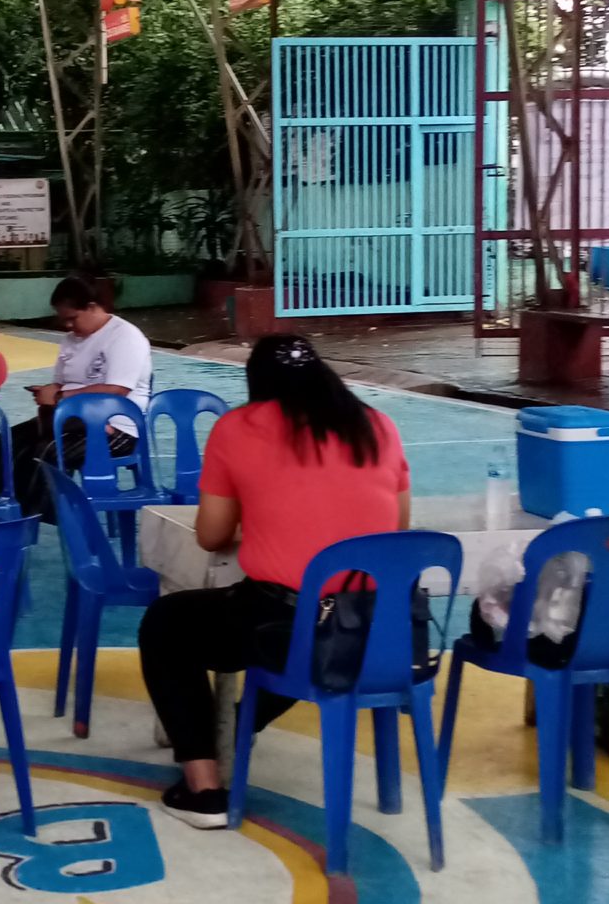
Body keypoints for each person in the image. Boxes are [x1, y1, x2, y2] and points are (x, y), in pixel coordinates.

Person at [135, 336, 410, 827]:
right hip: (383, 633)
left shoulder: (238, 428)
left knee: (167, 624)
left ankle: (204, 790)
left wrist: (260, 514)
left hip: (292, 629)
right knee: (294, 626)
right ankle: (242, 725)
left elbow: (212, 536)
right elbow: (397, 531)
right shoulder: (378, 426)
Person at [10, 277, 154, 516]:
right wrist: (48, 391)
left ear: (92, 306)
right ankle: (8, 509)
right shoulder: (70, 340)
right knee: (11, 440)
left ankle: (35, 520)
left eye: (72, 318)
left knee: (47, 451)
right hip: (75, 421)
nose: (67, 326)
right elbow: (61, 381)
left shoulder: (125, 337)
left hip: (117, 429)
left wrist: (59, 397)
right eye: (63, 319)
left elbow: (117, 390)